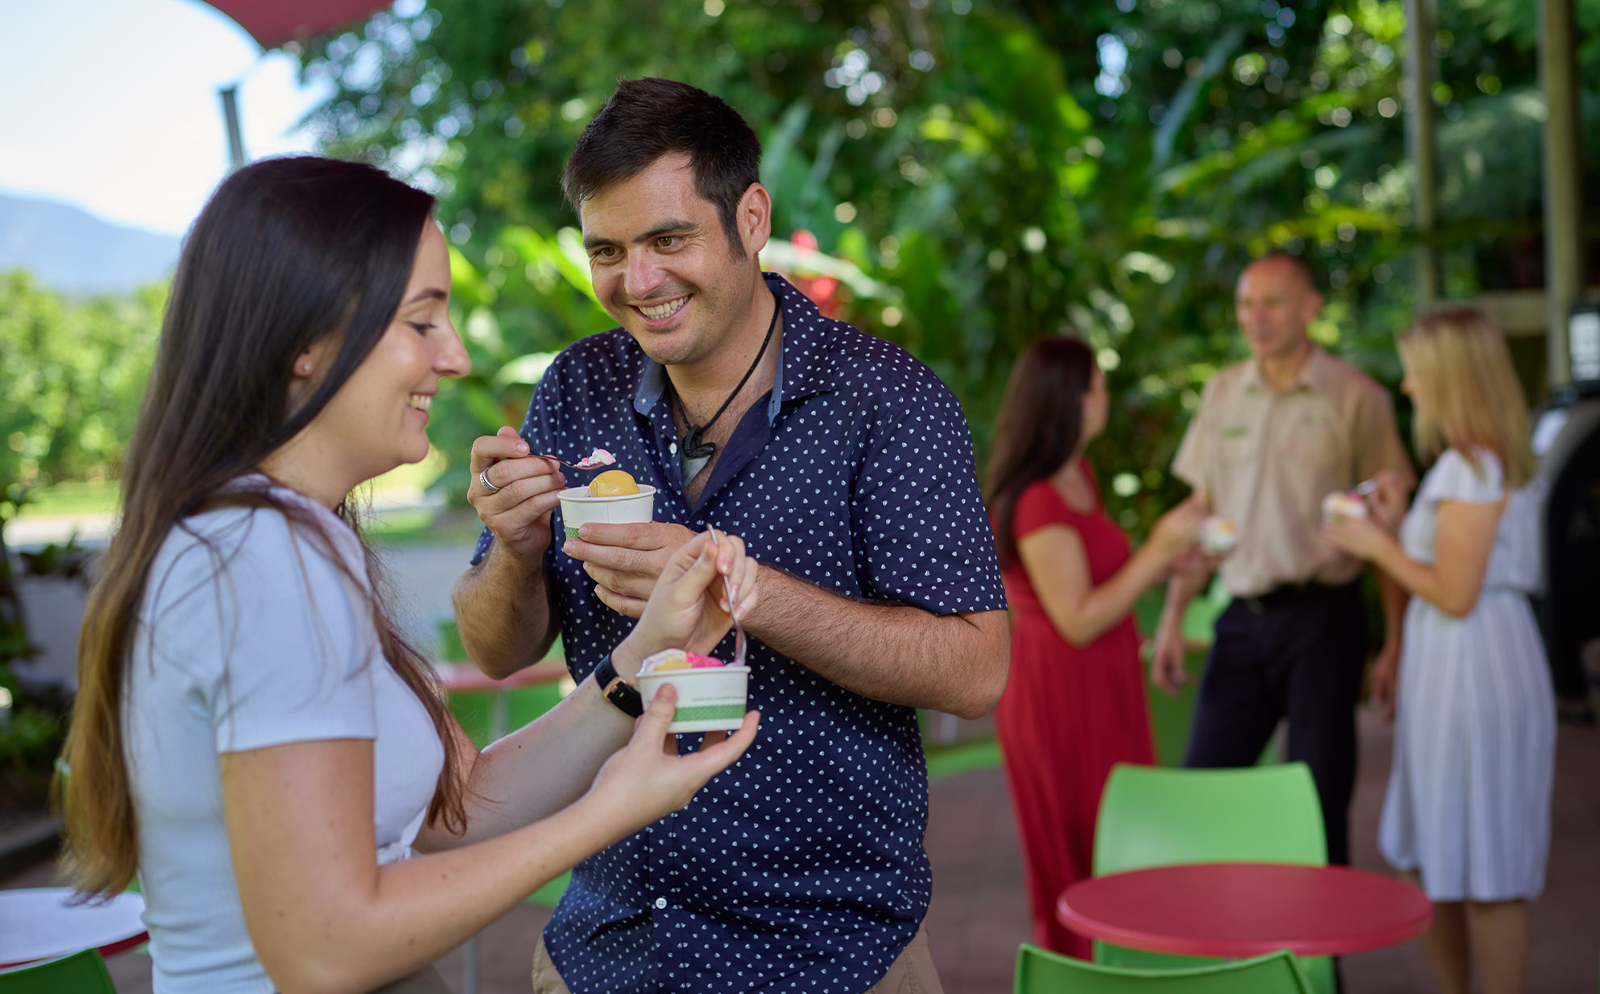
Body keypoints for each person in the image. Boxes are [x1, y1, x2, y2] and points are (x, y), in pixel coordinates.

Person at [59, 156, 759, 994]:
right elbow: (325, 948)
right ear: (305, 344)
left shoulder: (285, 539)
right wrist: (608, 814)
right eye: (423, 322)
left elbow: (455, 813)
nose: (456, 357)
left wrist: (645, 657)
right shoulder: (259, 556)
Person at [452, 77, 1009, 994]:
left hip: (829, 957)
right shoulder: (576, 387)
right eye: (608, 250)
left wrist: (749, 592)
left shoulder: (888, 402)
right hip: (607, 947)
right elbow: (498, 647)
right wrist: (511, 548)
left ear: (751, 217)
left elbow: (976, 669)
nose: (638, 282)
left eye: (670, 239)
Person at [1150, 251, 1414, 866]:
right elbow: (1205, 521)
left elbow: (1386, 531)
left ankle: (1324, 964)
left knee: (1320, 802)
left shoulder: (1358, 398)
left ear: (1310, 309)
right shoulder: (1221, 395)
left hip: (1324, 620)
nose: (1255, 318)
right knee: (1206, 790)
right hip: (1240, 617)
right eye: (1246, 303)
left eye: (1271, 302)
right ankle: (1220, 950)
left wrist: (1395, 639)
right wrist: (1171, 617)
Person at [1322, 307, 1552, 994]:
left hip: (1477, 670)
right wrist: (1393, 527)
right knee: (1439, 853)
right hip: (1455, 668)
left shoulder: (1474, 466)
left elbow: (1454, 593)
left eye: (1419, 371)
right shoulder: (1464, 466)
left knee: (1487, 866)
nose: (1410, 384)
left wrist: (1373, 543)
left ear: (1451, 377)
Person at [986, 336, 1205, 958]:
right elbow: (1077, 618)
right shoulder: (1037, 499)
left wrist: (1175, 566)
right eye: (1100, 386)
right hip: (1061, 697)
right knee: (1079, 854)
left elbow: (1105, 584)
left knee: (1122, 844)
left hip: (1104, 686)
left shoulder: (1077, 476)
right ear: (1075, 401)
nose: (1106, 397)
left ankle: (1126, 966)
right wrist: (1156, 551)